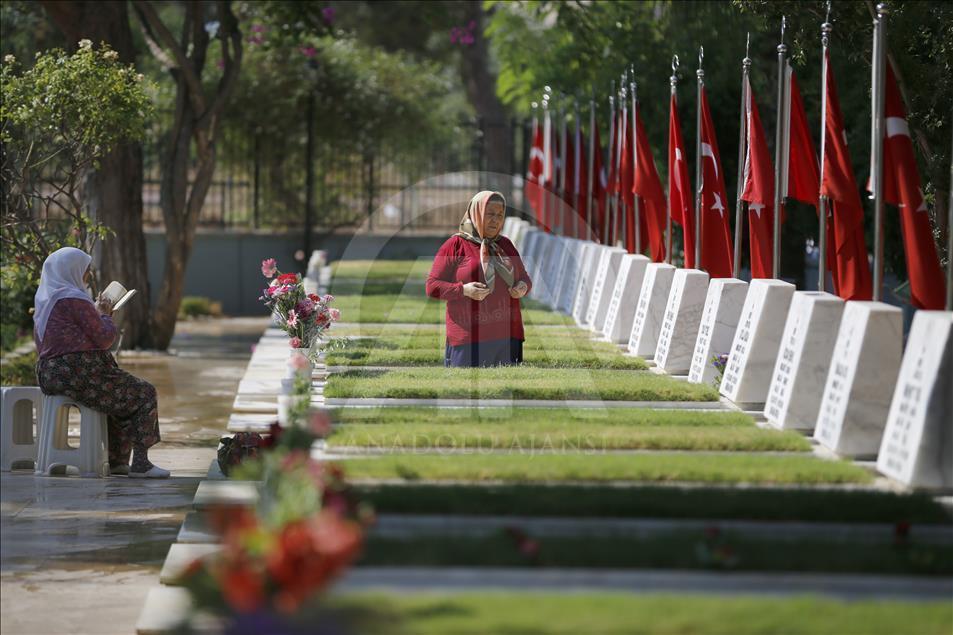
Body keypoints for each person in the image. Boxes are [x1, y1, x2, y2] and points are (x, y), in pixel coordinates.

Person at [33, 247, 169, 478]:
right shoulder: (73, 298)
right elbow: (105, 338)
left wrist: (95, 314)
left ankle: (117, 462)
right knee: (143, 393)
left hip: (50, 374)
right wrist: (104, 313)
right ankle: (141, 464)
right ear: (72, 270)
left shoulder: (45, 300)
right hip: (78, 371)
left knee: (115, 398)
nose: (87, 277)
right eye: (85, 271)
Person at [426, 191, 532, 367]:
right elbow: (432, 286)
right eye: (489, 214)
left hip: (507, 337)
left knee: (507, 392)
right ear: (476, 213)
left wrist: (522, 287)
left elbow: (524, 278)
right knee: (464, 393)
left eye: (500, 215)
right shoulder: (456, 245)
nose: (495, 220)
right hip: (468, 338)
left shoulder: (505, 245)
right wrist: (464, 290)